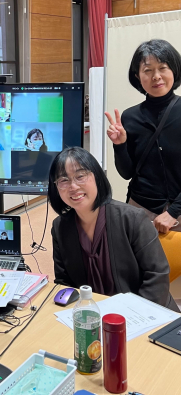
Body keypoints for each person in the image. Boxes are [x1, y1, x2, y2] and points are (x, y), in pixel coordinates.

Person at [48, 147, 177, 311]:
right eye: (63, 180)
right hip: (91, 314)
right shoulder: (60, 227)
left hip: (145, 312)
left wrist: (132, 315)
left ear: (97, 176)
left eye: (80, 176)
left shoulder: (132, 218)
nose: (73, 186)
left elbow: (157, 275)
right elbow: (64, 282)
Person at [105, 39, 181, 234]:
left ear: (174, 70)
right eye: (148, 70)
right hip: (141, 209)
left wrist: (173, 211)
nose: (156, 76)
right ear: (138, 76)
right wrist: (119, 145)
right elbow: (127, 173)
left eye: (162, 68)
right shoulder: (130, 117)